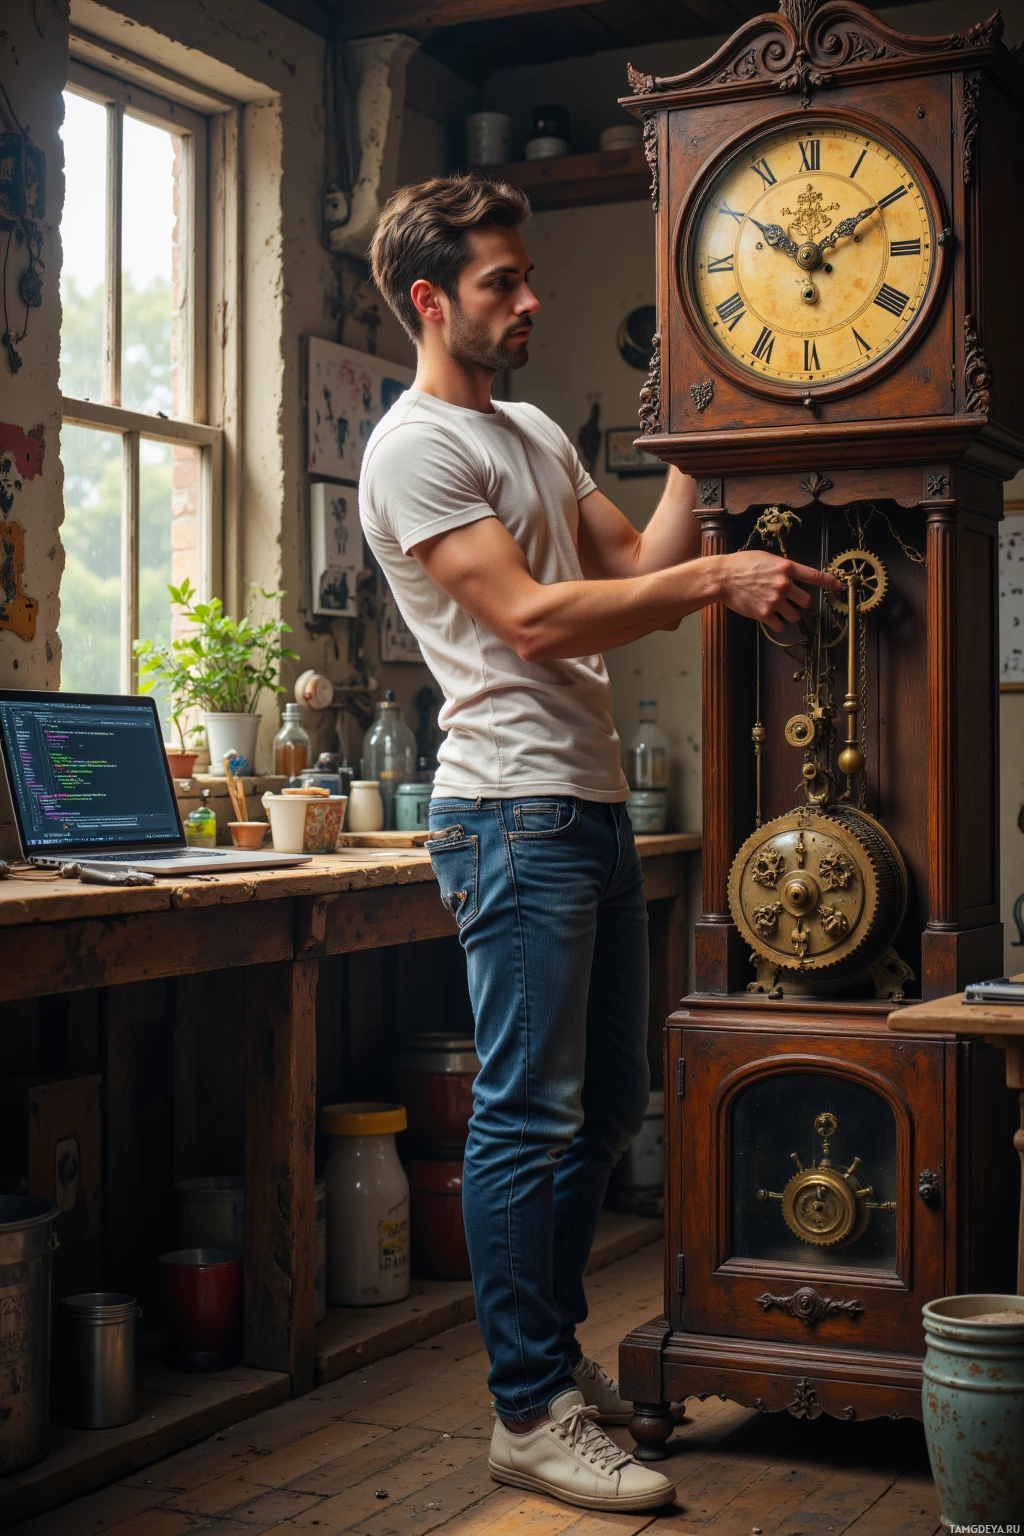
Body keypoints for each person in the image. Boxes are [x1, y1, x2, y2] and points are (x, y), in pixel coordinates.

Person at [360, 174, 840, 1515]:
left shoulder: (525, 430)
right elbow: (534, 621)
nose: (529, 299)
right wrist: (712, 582)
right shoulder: (414, 449)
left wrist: (692, 434)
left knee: (600, 1107)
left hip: (583, 806)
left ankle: (554, 1373)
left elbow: (635, 566)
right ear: (428, 300)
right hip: (506, 813)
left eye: (525, 277)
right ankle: (528, 1410)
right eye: (503, 283)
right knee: (527, 1118)